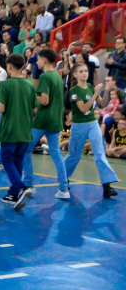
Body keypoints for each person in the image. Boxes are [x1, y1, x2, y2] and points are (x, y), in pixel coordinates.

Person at [64, 64, 119, 198]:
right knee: (74, 155)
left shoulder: (89, 86)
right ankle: (63, 178)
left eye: (86, 71)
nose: (84, 73)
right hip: (79, 125)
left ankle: (107, 186)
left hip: (93, 123)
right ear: (75, 75)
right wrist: (95, 93)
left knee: (100, 153)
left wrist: (106, 91)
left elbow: (103, 103)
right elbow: (83, 108)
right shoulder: (74, 90)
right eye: (81, 71)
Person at [21, 48, 70, 199]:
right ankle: (64, 188)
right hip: (55, 119)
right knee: (56, 153)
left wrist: (31, 97)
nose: (37, 62)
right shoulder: (57, 76)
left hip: (43, 119)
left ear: (44, 60)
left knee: (26, 149)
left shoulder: (45, 77)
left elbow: (44, 100)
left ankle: (28, 184)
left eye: (38, 59)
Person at [0, 53, 36, 209]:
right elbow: (34, 109)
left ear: (9, 66)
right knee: (18, 159)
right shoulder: (29, 85)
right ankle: (14, 193)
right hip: (25, 129)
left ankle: (20, 187)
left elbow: (1, 108)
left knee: (6, 159)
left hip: (10, 129)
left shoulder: (5, 85)